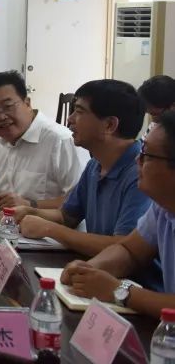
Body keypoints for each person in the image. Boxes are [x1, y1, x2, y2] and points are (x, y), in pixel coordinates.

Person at [11, 80, 152, 257]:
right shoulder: (95, 164)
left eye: (79, 112)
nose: (69, 119)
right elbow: (67, 216)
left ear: (109, 125)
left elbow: (124, 248)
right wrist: (31, 211)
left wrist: (49, 229)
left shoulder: (142, 173)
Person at [59, 112, 175, 318]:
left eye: (147, 155)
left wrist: (120, 292)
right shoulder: (163, 207)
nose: (138, 160)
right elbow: (130, 251)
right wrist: (90, 268)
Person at [0, 71, 88, 210]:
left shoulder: (61, 141)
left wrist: (29, 205)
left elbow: (82, 201)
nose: (1, 117)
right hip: (5, 221)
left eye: (8, 107)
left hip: (46, 225)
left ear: (27, 103)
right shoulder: (0, 139)